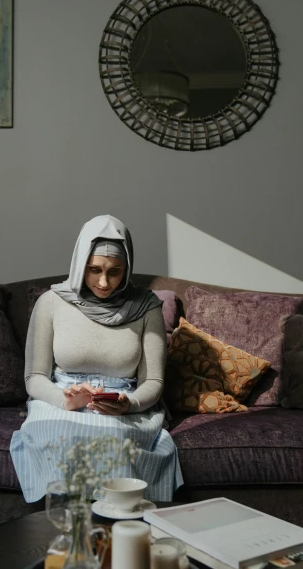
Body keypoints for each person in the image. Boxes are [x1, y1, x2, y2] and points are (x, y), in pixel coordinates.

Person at [10, 214, 184, 502]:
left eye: (115, 271)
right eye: (94, 269)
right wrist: (64, 399)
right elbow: (34, 378)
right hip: (62, 398)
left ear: (127, 268)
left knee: (115, 440)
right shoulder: (51, 303)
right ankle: (65, 528)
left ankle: (116, 527)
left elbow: (153, 380)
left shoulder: (147, 307)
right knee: (58, 434)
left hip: (123, 402)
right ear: (80, 264)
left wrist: (131, 405)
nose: (104, 282)